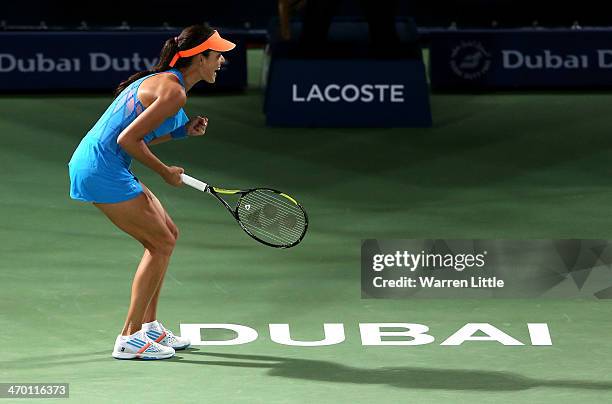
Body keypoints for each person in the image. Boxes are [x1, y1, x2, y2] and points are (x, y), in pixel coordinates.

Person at [67, 24, 235, 360]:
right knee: (160, 243)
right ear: (198, 58)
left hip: (106, 164)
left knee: (168, 234)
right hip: (101, 169)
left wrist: (182, 133)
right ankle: (129, 337)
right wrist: (166, 173)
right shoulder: (174, 92)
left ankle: (149, 327)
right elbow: (126, 140)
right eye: (216, 56)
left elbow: (136, 136)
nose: (221, 62)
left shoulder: (167, 83)